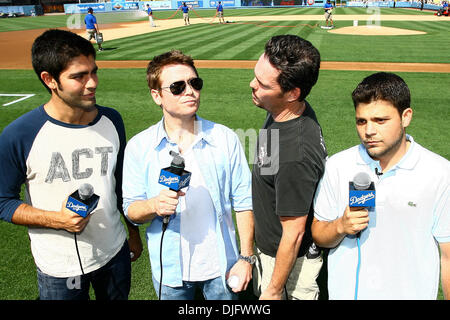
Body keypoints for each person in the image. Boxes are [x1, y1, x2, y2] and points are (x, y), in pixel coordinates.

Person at [0, 29, 142, 300]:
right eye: (78, 76)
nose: (92, 83)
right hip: (59, 267)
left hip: (114, 253)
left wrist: (132, 234)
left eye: (93, 71)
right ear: (49, 80)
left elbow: (119, 185)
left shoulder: (112, 120)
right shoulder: (20, 135)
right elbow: (2, 201)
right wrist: (57, 220)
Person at [122, 50, 254, 300]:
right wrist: (154, 205)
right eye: (177, 87)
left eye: (195, 83)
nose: (190, 91)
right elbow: (131, 210)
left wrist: (246, 257)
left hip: (222, 269)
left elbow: (245, 202)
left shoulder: (225, 138)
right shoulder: (139, 147)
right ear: (156, 95)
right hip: (170, 274)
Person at [312, 72, 450, 300]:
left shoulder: (439, 173)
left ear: (406, 117)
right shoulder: (338, 165)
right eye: (361, 121)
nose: (368, 131)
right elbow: (318, 233)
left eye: (380, 121)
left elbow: (448, 255)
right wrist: (340, 226)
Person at [250, 35, 328, 300]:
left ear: (293, 93)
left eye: (262, 84)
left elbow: (293, 235)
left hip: (286, 265)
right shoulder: (281, 112)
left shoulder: (295, 155)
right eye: (255, 76)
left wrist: (272, 290)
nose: (252, 86)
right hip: (271, 254)